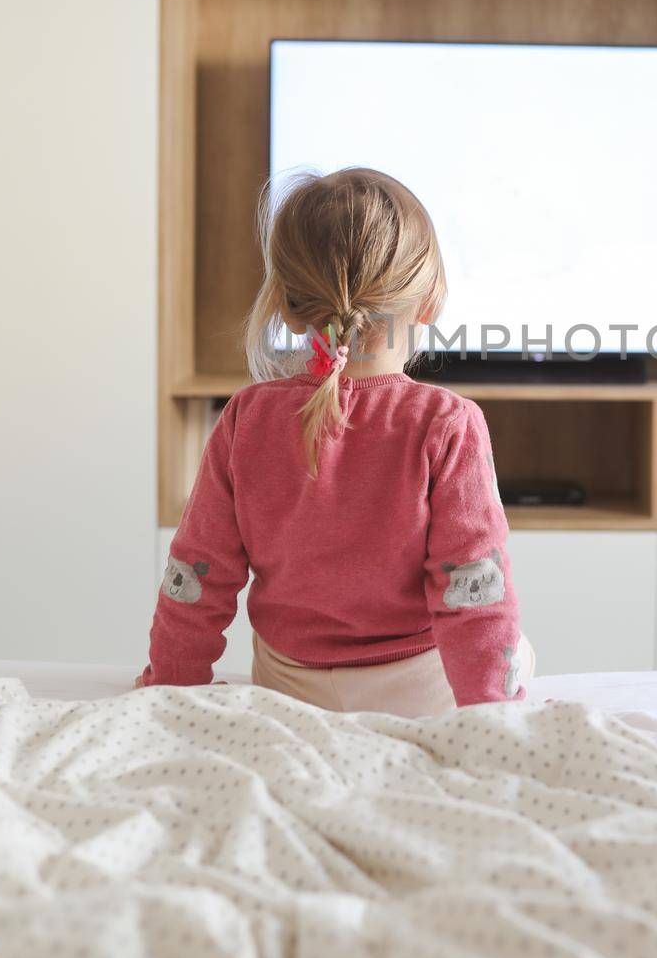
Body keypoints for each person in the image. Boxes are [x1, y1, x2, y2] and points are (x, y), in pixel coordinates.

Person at [139, 167, 532, 714]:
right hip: (416, 692)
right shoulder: (446, 422)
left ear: (286, 306)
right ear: (428, 303)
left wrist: (169, 691)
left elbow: (197, 576)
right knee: (521, 654)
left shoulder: (246, 417)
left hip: (288, 688)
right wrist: (495, 717)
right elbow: (475, 594)